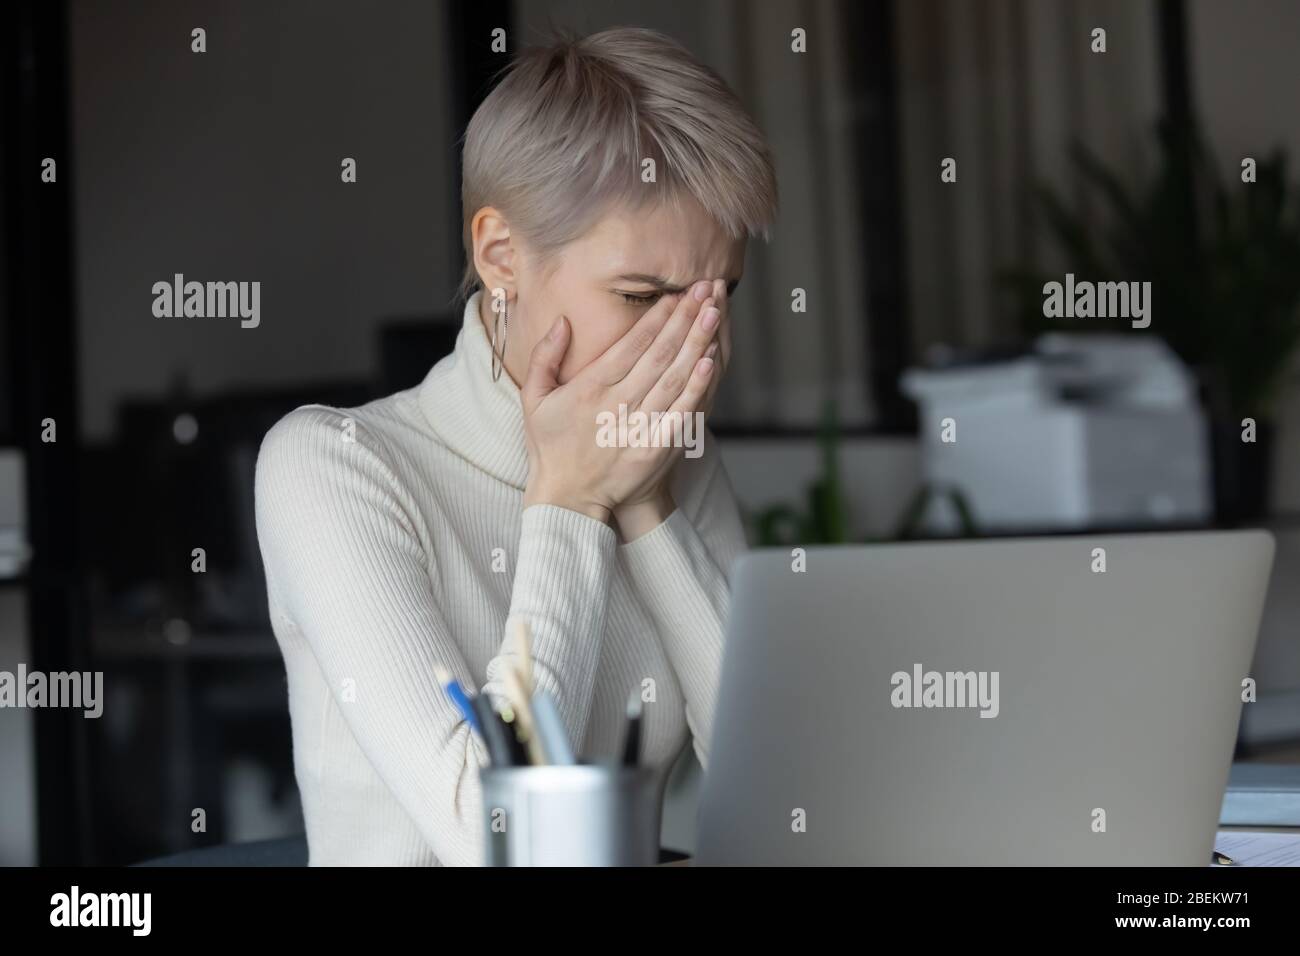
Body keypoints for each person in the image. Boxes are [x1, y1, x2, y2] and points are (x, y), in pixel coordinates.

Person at [254, 26, 778, 865]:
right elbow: (495, 838)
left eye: (720, 301)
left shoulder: (669, 457)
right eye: (645, 296)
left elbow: (782, 801)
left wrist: (643, 503)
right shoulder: (335, 466)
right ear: (501, 256)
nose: (698, 350)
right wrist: (569, 499)